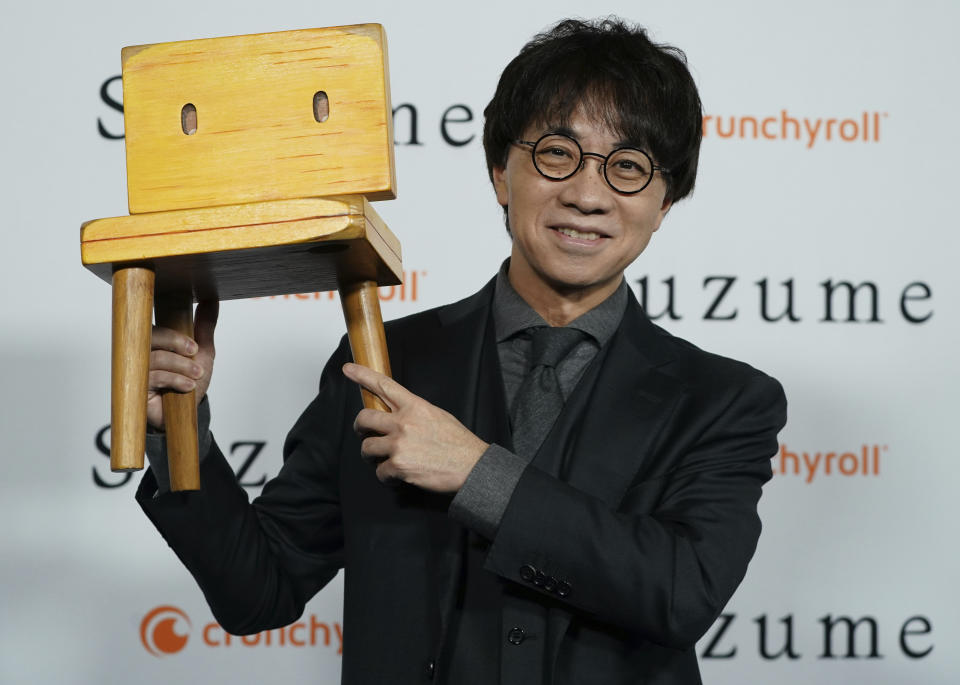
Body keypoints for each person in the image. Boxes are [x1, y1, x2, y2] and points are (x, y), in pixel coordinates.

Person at [139, 17, 787, 685]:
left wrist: (478, 472)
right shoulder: (379, 364)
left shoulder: (724, 400)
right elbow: (260, 590)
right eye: (557, 153)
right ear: (500, 171)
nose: (588, 195)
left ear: (665, 201)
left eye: (627, 167)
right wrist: (179, 430)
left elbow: (680, 592)